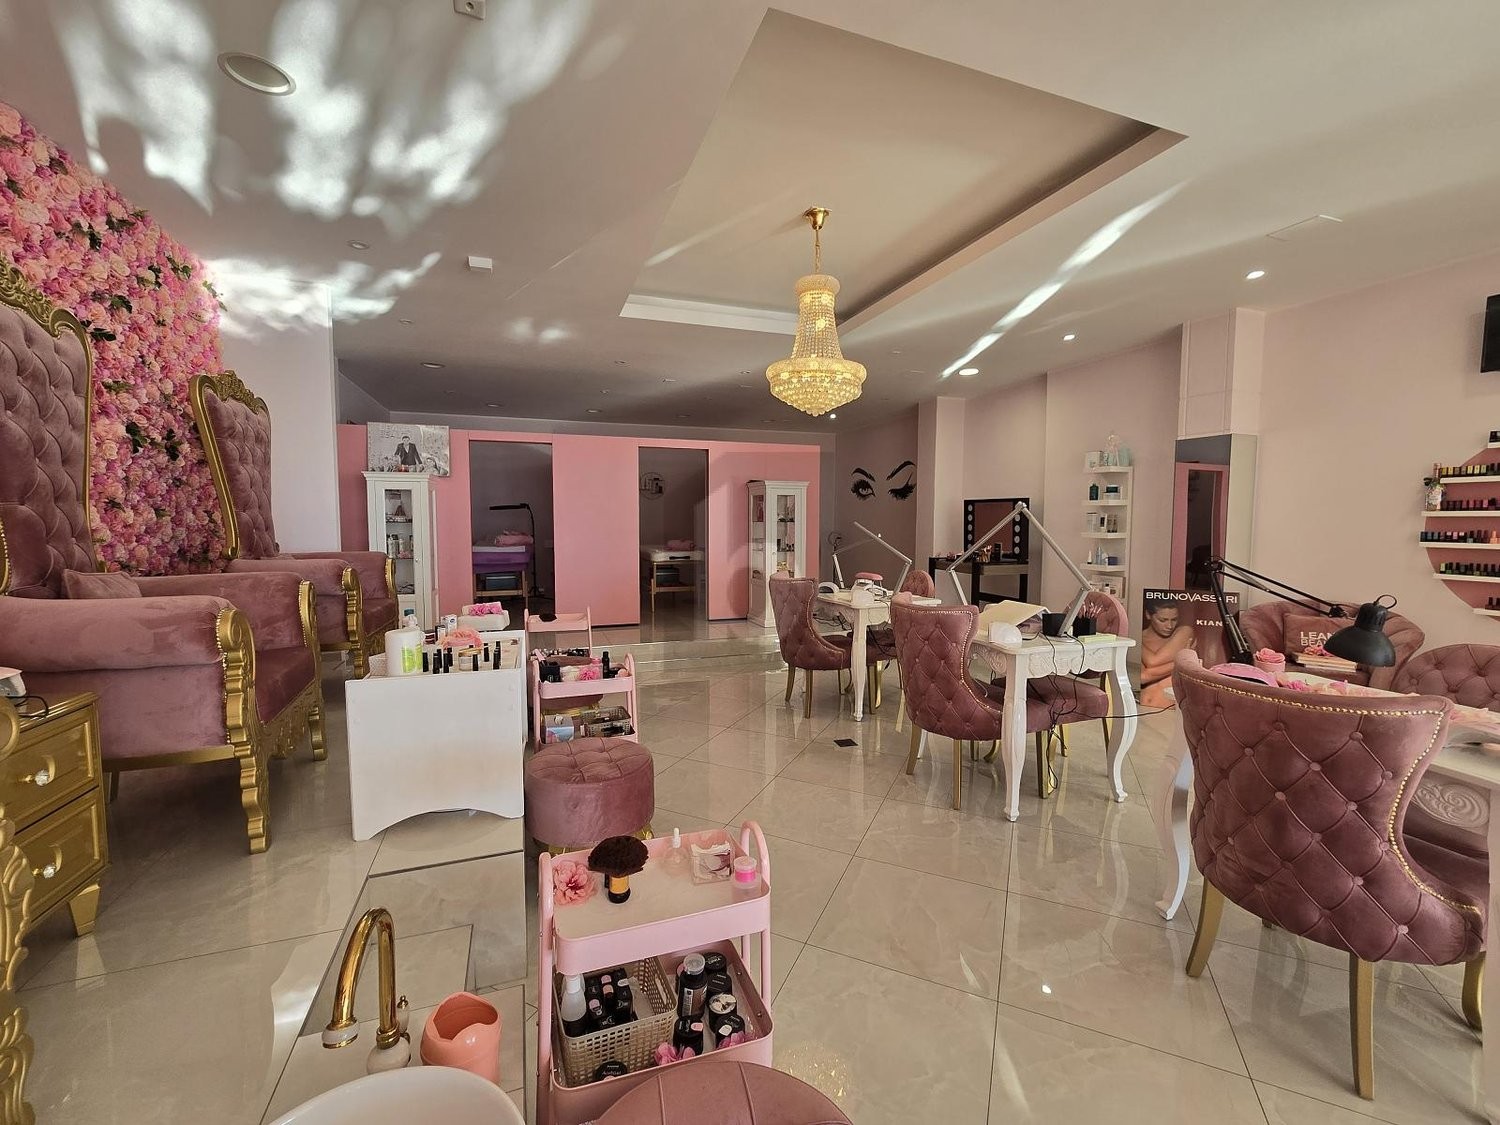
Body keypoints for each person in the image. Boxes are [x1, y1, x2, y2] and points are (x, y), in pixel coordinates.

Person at [1140, 601, 1196, 708]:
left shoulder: (1184, 631)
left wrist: (1139, 644)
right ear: (1148, 615)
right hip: (1142, 708)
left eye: (1174, 620)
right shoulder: (1142, 638)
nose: (1169, 626)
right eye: (1162, 620)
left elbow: (1152, 661)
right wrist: (1182, 663)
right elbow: (1143, 677)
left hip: (1170, 711)